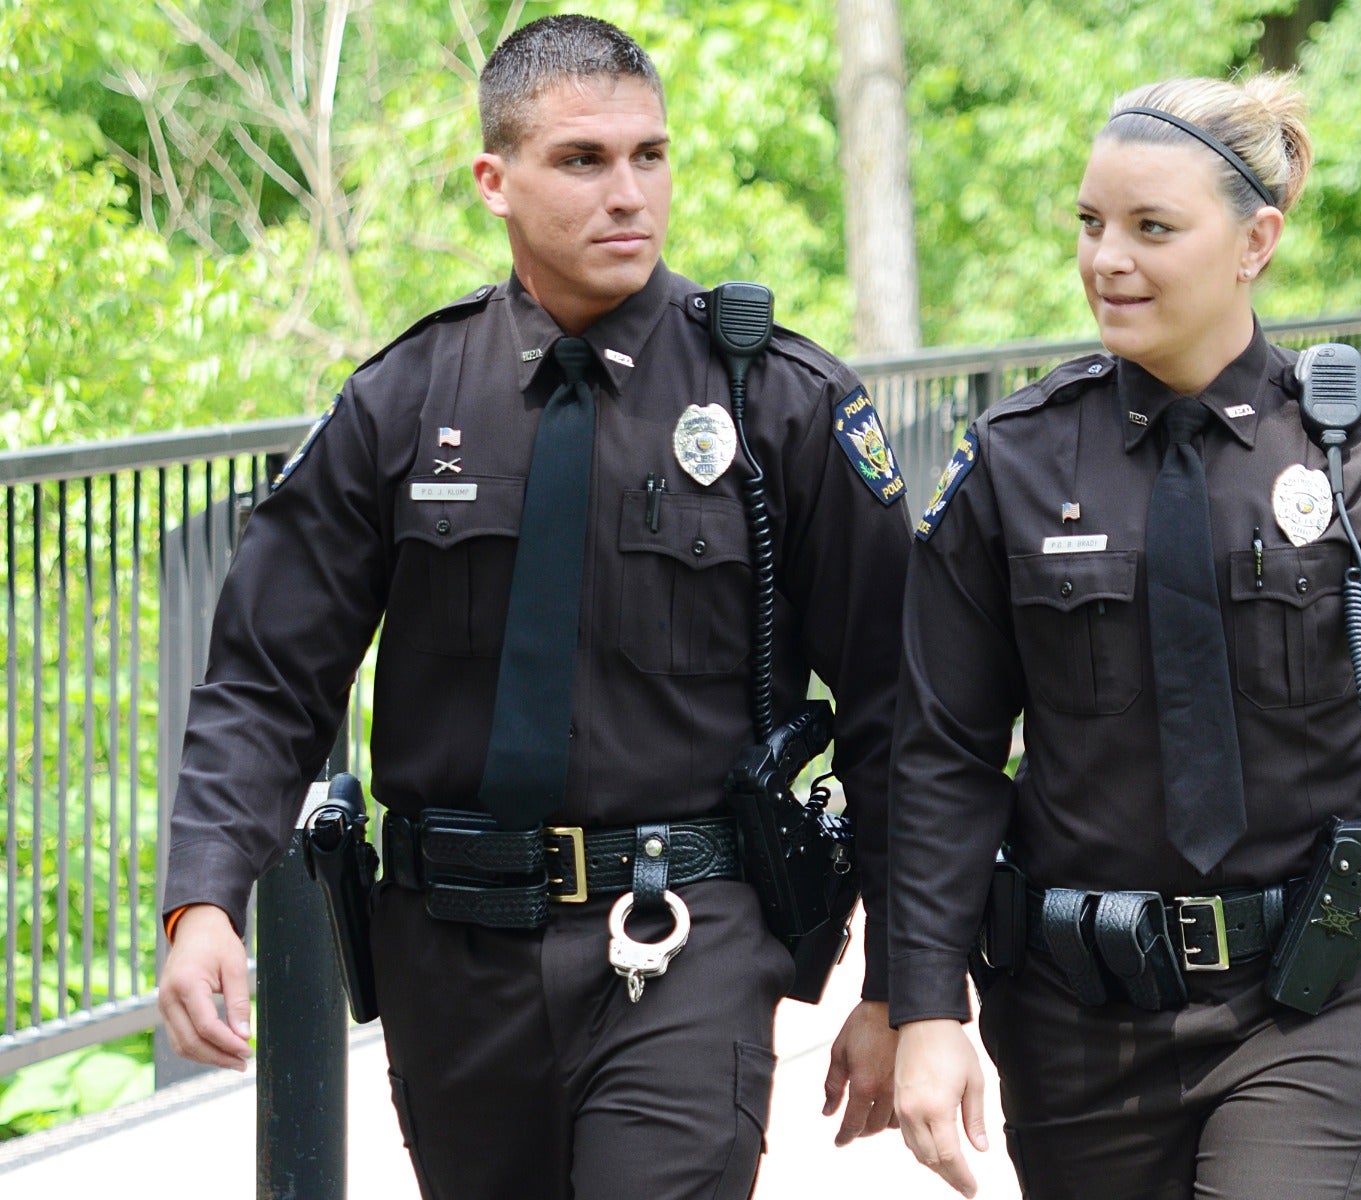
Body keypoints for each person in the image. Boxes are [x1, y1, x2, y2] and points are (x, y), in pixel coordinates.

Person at [155, 15, 910, 1198]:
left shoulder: (773, 403)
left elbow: (893, 706)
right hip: (451, 959)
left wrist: (907, 986)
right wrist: (202, 894)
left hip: (686, 934)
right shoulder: (405, 402)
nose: (629, 193)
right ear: (494, 182)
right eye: (584, 161)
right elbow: (269, 674)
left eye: (649, 156)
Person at [887, 72, 1361, 1199]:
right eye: (1090, 224)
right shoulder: (1015, 464)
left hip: (1325, 998)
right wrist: (925, 1004)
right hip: (1081, 1025)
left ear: (1254, 241)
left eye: (1151, 228)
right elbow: (943, 754)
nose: (1106, 260)